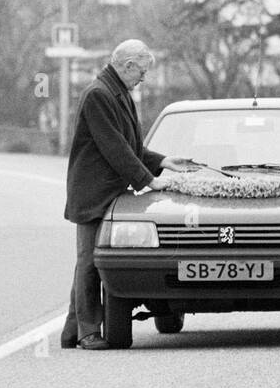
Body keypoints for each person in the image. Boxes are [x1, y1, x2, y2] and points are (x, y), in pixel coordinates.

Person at [61, 40, 191, 350]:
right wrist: (149, 180)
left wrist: (161, 161)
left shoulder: (115, 93)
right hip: (94, 193)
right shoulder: (99, 95)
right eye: (142, 71)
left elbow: (130, 146)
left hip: (106, 190)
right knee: (90, 262)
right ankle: (88, 333)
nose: (144, 78)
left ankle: (73, 331)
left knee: (89, 261)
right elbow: (114, 148)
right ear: (128, 65)